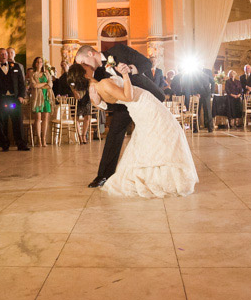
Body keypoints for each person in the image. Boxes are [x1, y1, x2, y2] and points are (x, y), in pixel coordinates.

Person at [67, 62, 197, 198]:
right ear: (84, 73)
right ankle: (162, 178)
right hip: (143, 104)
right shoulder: (103, 84)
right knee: (166, 132)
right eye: (84, 65)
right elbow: (127, 96)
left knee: (155, 137)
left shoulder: (94, 91)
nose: (87, 65)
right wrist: (125, 75)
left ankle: (158, 176)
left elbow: (106, 104)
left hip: (139, 107)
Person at [74, 42, 164, 188]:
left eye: (83, 62)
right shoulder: (98, 74)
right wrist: (99, 102)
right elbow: (110, 100)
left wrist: (130, 69)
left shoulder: (118, 50)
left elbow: (146, 63)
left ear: (90, 53)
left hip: (146, 97)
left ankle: (160, 172)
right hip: (124, 105)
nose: (84, 66)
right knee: (114, 133)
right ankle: (103, 176)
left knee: (154, 134)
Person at [0, 47, 29, 151]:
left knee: (17, 121)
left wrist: (21, 96)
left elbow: (21, 83)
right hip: (1, 99)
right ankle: (4, 144)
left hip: (14, 99)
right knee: (2, 122)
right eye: (1, 54)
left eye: (5, 54)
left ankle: (21, 144)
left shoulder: (15, 67)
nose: (4, 55)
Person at [27, 56, 52, 147]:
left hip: (46, 97)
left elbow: (50, 85)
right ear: (35, 63)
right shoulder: (32, 73)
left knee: (45, 118)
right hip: (37, 97)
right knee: (38, 118)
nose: (39, 63)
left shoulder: (46, 73)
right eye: (37, 62)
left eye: (41, 62)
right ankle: (38, 139)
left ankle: (44, 138)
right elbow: (34, 85)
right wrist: (44, 84)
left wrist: (41, 85)